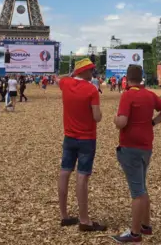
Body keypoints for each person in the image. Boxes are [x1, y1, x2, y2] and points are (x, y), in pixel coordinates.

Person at [112, 64, 161, 242]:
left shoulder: (128, 95)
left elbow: (122, 122)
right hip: (146, 146)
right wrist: (152, 123)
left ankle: (134, 233)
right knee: (142, 186)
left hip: (130, 147)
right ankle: (146, 226)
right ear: (141, 78)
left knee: (137, 191)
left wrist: (114, 120)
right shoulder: (149, 95)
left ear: (127, 78)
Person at [58, 58, 106, 232]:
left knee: (64, 173)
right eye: (90, 70)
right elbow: (97, 117)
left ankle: (64, 216)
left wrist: (71, 74)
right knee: (82, 176)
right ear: (84, 71)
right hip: (86, 137)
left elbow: (59, 78)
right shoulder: (91, 90)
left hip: (69, 135)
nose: (92, 72)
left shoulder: (65, 83)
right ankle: (84, 220)